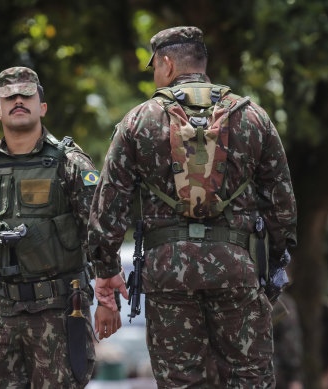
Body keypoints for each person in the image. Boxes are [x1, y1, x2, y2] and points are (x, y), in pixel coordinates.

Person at [88, 26, 297, 387]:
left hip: (168, 274)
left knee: (181, 381)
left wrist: (106, 273)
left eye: (155, 66)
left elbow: (108, 208)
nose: (155, 75)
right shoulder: (253, 117)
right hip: (238, 268)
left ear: (167, 64)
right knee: (249, 378)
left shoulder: (138, 121)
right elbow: (282, 207)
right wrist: (271, 269)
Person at [0, 66, 120, 388]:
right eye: (9, 97)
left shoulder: (70, 164)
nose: (18, 101)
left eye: (26, 95)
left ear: (42, 107)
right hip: (2, 310)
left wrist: (107, 300)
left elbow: (98, 229)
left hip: (60, 310)